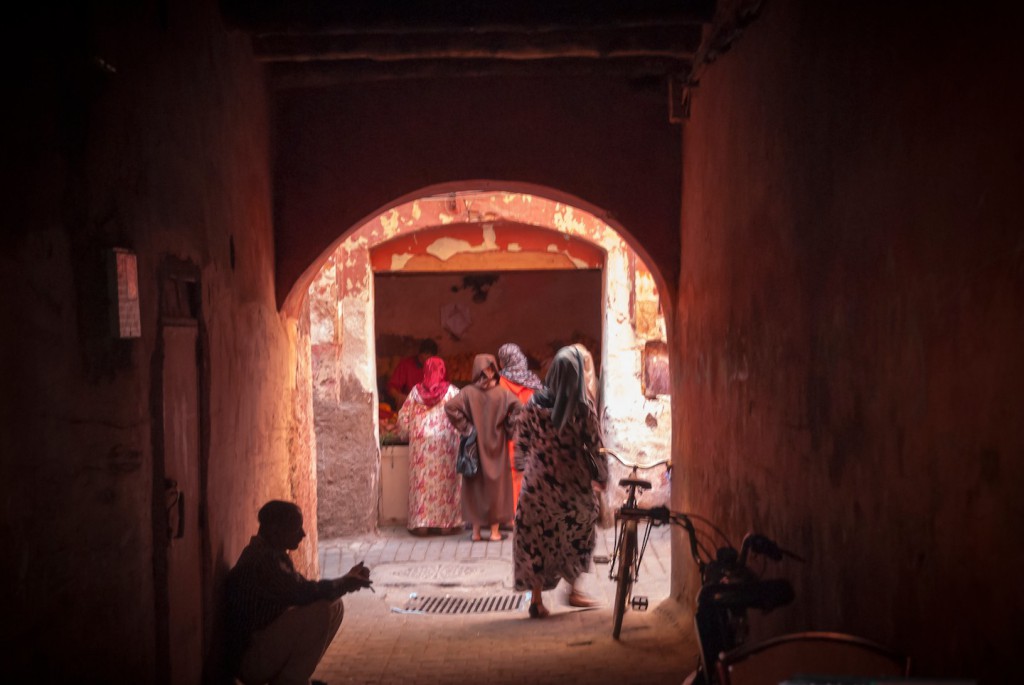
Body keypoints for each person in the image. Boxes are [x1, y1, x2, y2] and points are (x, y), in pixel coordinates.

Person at [225, 500, 373, 685]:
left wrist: (346, 581)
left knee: (334, 605)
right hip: (250, 659)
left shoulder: (273, 554)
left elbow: (304, 589)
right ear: (275, 530)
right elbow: (303, 593)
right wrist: (346, 583)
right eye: (295, 528)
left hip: (262, 646)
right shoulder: (263, 560)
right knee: (321, 611)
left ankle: (296, 678)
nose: (303, 534)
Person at [512, 345, 607, 618]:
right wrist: (601, 476)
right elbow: (596, 444)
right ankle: (574, 589)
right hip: (572, 487)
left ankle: (537, 599)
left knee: (536, 539)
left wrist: (522, 467)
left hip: (538, 485)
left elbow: (523, 441)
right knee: (579, 531)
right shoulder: (582, 407)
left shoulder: (534, 402)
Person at [444, 354, 521, 542]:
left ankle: (476, 532)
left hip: (474, 447)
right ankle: (494, 532)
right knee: (496, 488)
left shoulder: (468, 393)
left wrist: (467, 428)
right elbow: (519, 408)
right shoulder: (503, 393)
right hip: (497, 446)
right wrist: (509, 428)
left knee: (475, 487)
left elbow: (450, 407)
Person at [396, 355, 463, 536]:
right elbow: (464, 416)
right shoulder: (452, 392)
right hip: (446, 444)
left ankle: (422, 523)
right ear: (442, 371)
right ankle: (446, 524)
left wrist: (405, 435)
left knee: (422, 483)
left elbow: (403, 419)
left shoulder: (415, 393)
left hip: (421, 445)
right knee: (446, 483)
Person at [496, 343, 544, 518]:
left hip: (509, 436)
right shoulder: (533, 381)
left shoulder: (500, 383)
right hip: (532, 434)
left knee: (511, 475)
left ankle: (512, 514)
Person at [388, 338, 438, 409]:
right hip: (410, 407)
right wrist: (399, 397)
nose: (431, 359)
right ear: (422, 354)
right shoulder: (406, 365)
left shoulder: (436, 367)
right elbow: (392, 388)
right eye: (428, 356)